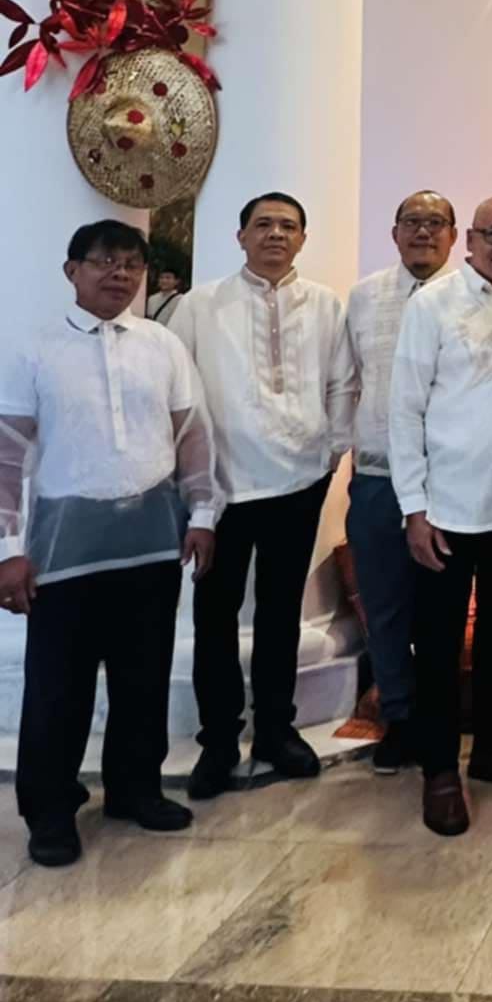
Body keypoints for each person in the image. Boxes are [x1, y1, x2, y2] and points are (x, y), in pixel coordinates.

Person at [0, 222, 219, 867]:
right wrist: (7, 549)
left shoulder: (161, 345)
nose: (119, 274)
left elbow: (192, 434)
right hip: (62, 550)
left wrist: (204, 512)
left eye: (131, 264)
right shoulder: (34, 347)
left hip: (150, 543)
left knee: (142, 678)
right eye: (104, 262)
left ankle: (134, 789)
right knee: (57, 688)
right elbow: (6, 457)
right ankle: (50, 812)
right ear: (72, 270)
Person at [170, 192, 356, 798]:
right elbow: (179, 393)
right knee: (215, 615)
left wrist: (329, 451)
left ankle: (277, 729)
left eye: (288, 226)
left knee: (280, 613)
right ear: (241, 236)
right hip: (221, 487)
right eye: (263, 224)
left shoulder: (324, 304)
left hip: (298, 481)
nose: (276, 234)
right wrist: (193, 479)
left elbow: (342, 382)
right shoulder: (201, 305)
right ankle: (219, 741)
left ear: (302, 239)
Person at [390, 195, 492, 836]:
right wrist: (415, 508)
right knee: (436, 645)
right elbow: (404, 411)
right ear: (470, 240)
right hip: (446, 509)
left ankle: (491, 750)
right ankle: (439, 771)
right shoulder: (432, 305)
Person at [345, 190, 457, 775]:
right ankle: (400, 716)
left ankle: (441, 716)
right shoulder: (364, 297)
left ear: (454, 236)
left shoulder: (469, 296)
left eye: (436, 222)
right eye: (412, 221)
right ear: (394, 234)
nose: (423, 232)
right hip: (378, 476)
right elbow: (347, 380)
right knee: (384, 605)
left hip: (450, 481)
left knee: (443, 610)